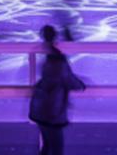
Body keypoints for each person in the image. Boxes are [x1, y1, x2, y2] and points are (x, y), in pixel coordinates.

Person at [28, 25, 85, 155]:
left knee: (47, 146)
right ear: (56, 36)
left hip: (40, 107)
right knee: (56, 148)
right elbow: (68, 79)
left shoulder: (41, 53)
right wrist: (81, 86)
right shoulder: (58, 59)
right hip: (53, 111)